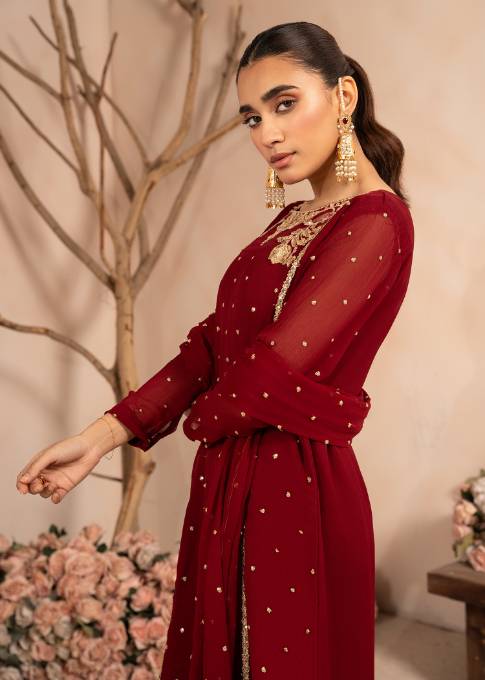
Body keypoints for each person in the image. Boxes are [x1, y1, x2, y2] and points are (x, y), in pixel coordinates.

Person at [16, 21, 414, 680]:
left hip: (296, 490)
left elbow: (266, 372)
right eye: (252, 117)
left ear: (343, 97)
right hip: (232, 478)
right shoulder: (293, 218)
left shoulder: (375, 221)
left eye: (284, 104)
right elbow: (212, 346)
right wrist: (100, 437)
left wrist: (199, 423)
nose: (267, 134)